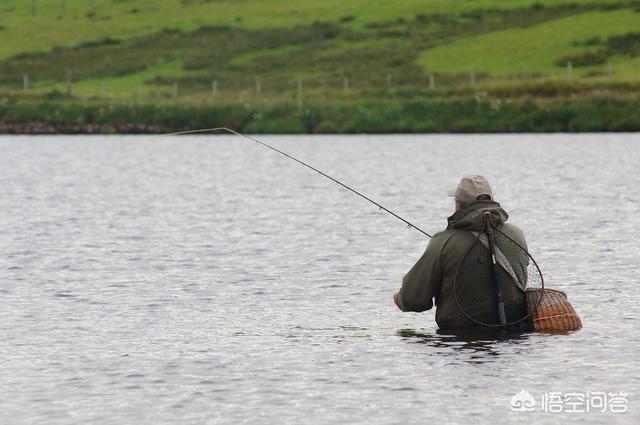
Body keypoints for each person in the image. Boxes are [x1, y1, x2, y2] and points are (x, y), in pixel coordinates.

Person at [393, 175, 530, 330]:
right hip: (514, 337)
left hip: (459, 339)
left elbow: (414, 300)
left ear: (458, 205)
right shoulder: (516, 235)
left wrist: (400, 299)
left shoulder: (443, 242)